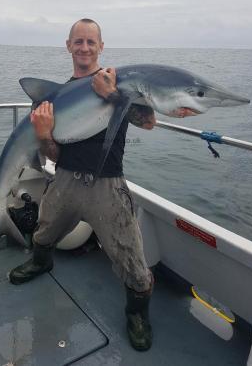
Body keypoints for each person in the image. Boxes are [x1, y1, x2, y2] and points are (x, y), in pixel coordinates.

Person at [9, 18, 156, 351]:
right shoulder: (51, 99)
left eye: (92, 42)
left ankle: (137, 314)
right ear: (68, 46)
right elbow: (51, 152)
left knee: (132, 261)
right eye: (79, 41)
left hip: (108, 185)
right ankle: (41, 261)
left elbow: (148, 122)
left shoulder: (118, 83)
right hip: (64, 180)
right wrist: (44, 133)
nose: (85, 48)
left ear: (102, 47)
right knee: (44, 233)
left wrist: (115, 95)